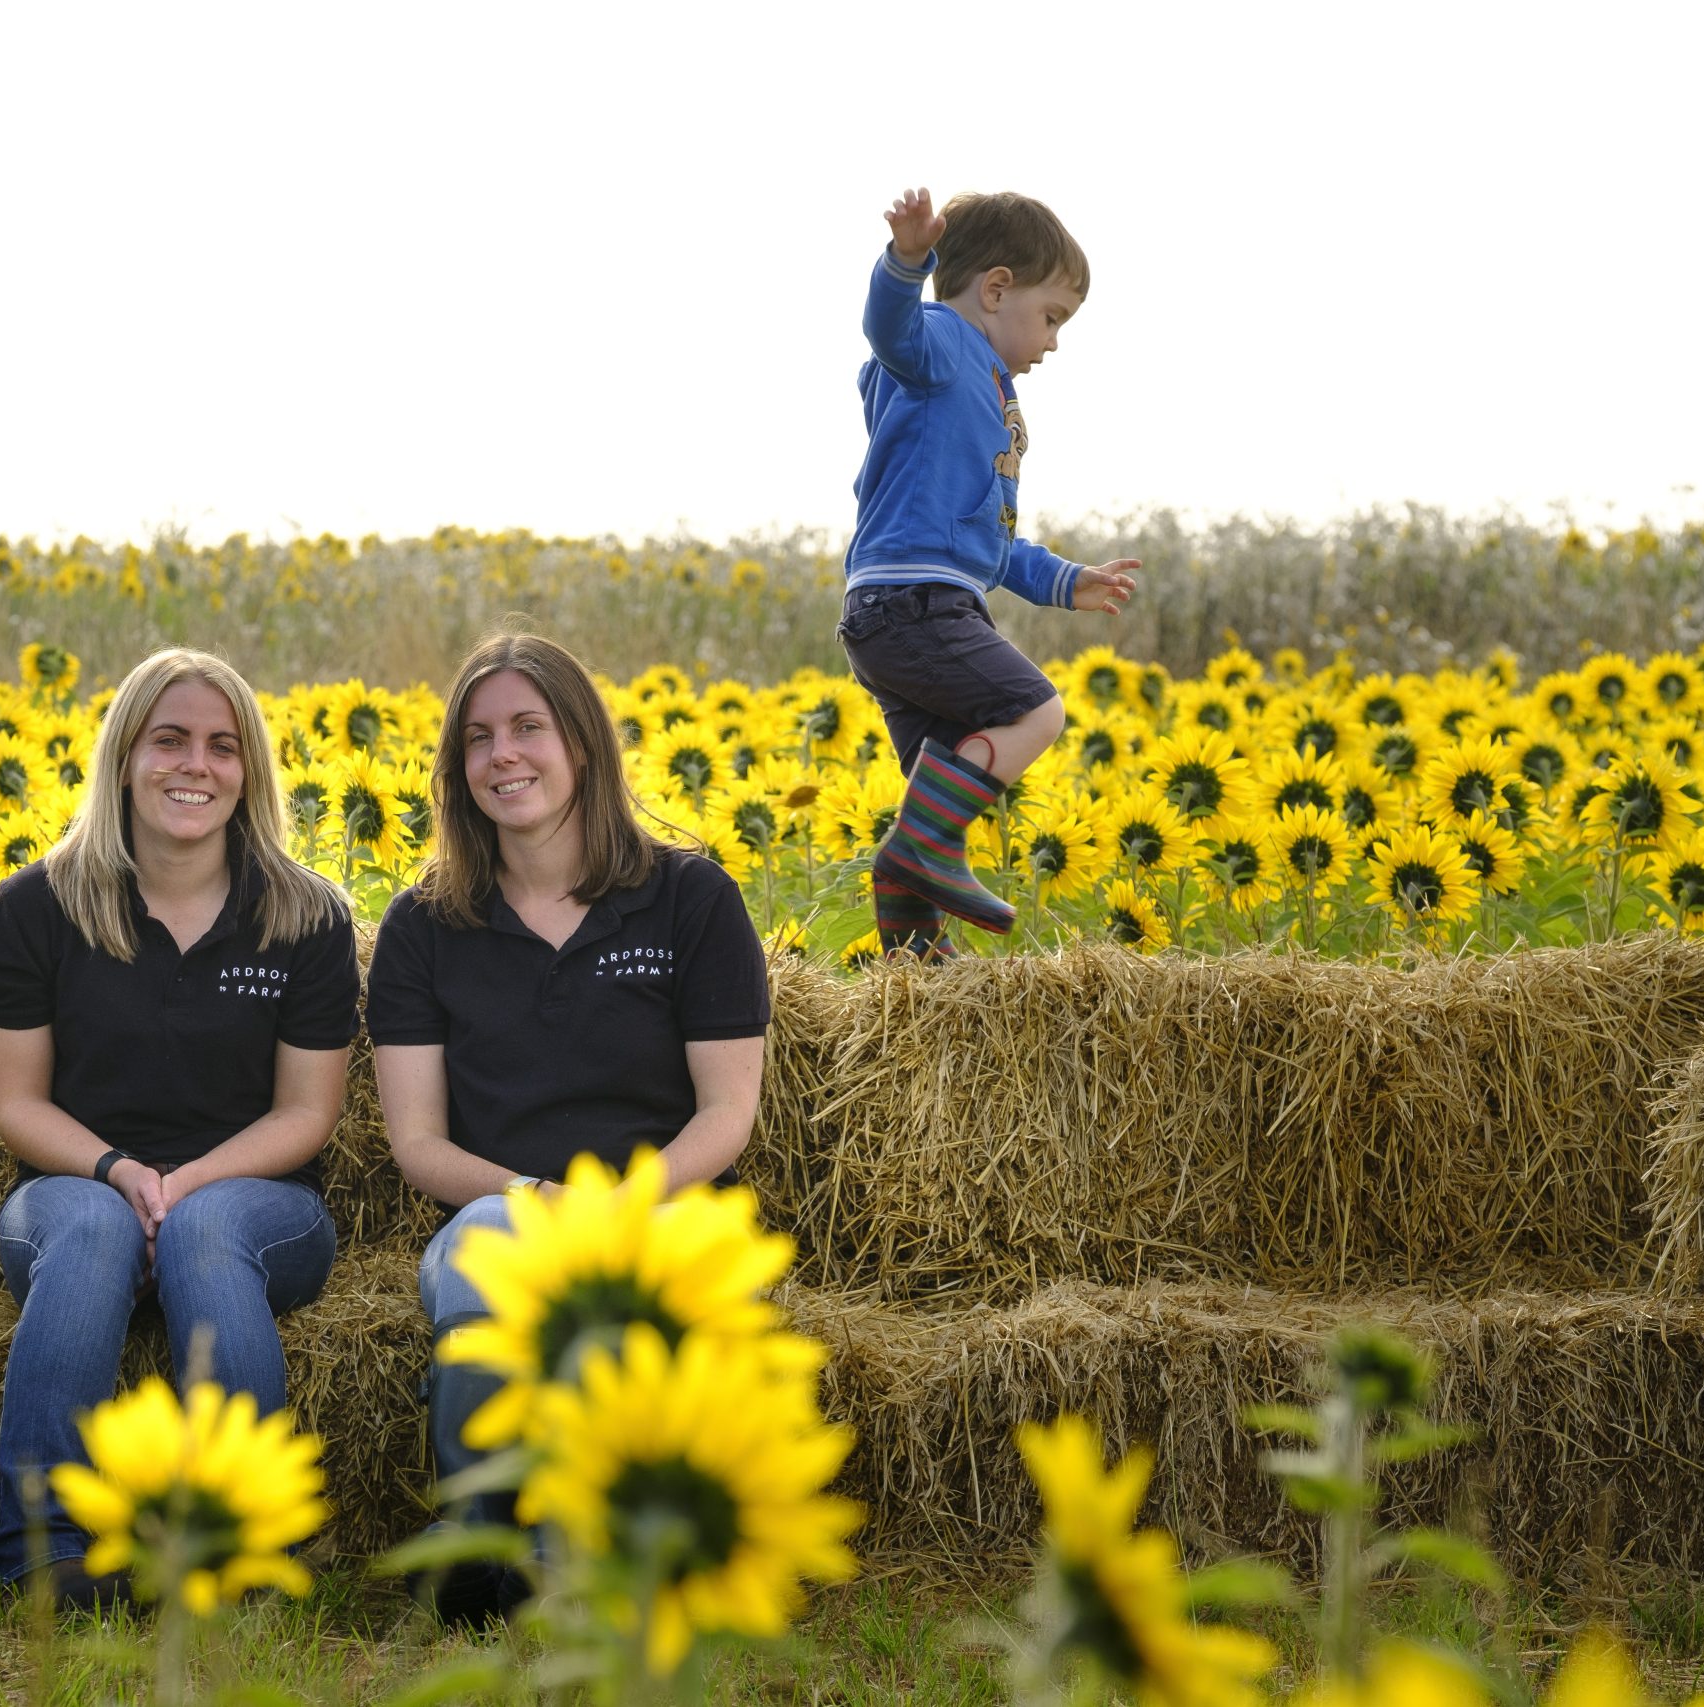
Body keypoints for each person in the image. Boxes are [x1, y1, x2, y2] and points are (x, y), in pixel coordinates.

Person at [365, 632, 770, 1623]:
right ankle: (487, 1526)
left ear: (581, 745)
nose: (502, 754)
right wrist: (536, 1200)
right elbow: (417, 1141)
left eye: (527, 727)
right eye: (477, 738)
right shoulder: (424, 922)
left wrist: (620, 1205)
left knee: (603, 1289)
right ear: (457, 769)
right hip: (500, 1205)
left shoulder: (691, 897)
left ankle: (535, 1550)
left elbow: (727, 1109)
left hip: (662, 1208)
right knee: (487, 1266)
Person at [0, 648, 359, 1605]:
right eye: (170, 739)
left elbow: (307, 1111)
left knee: (206, 1226)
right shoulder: (37, 907)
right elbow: (15, 1101)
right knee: (100, 1226)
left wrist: (179, 1186)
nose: (198, 765)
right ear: (123, 757)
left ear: (250, 772)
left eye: (224, 746)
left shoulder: (306, 915)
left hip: (262, 1204)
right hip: (72, 1192)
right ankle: (41, 1552)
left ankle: (243, 1539)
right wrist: (117, 1171)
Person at [842, 187, 1142, 958]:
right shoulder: (942, 344)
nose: (1054, 341)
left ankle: (917, 964)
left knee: (934, 791)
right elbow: (890, 328)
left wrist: (1066, 578)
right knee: (1035, 712)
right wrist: (907, 262)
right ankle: (917, 855)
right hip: (917, 603)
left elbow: (991, 536)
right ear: (996, 288)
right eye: (1052, 317)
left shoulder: (986, 394)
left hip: (910, 608)